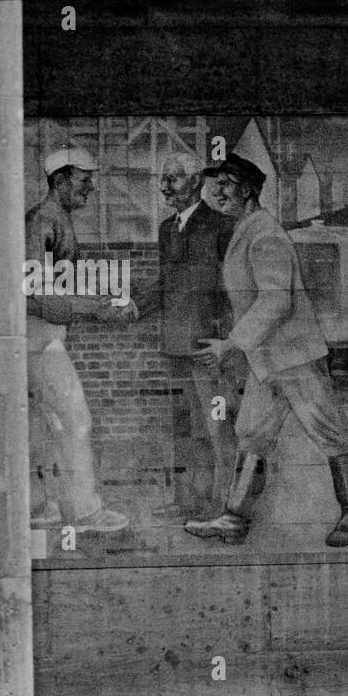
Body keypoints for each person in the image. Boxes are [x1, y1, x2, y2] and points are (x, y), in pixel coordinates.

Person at [184, 154, 348, 547]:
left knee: (329, 431)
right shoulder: (247, 229)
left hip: (294, 357)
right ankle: (234, 519)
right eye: (214, 184)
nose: (217, 191)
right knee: (252, 434)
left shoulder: (265, 234)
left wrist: (232, 343)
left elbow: (276, 300)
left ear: (248, 190)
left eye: (226, 183)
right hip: (267, 359)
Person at [25, 147, 129, 533]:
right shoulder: (42, 220)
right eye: (84, 181)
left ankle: (40, 506)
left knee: (41, 424)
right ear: (60, 181)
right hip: (34, 337)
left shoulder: (56, 218)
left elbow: (56, 287)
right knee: (74, 418)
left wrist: (95, 300)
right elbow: (35, 293)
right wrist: (91, 308)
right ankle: (84, 512)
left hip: (40, 336)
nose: (91, 188)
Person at [129, 152, 238, 522]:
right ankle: (187, 500)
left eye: (172, 178)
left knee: (217, 428)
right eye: (163, 179)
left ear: (195, 182)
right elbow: (165, 282)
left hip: (208, 347)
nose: (164, 186)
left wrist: (229, 341)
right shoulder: (167, 229)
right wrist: (135, 306)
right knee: (183, 428)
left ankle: (223, 506)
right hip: (175, 345)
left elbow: (234, 289)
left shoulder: (222, 227)